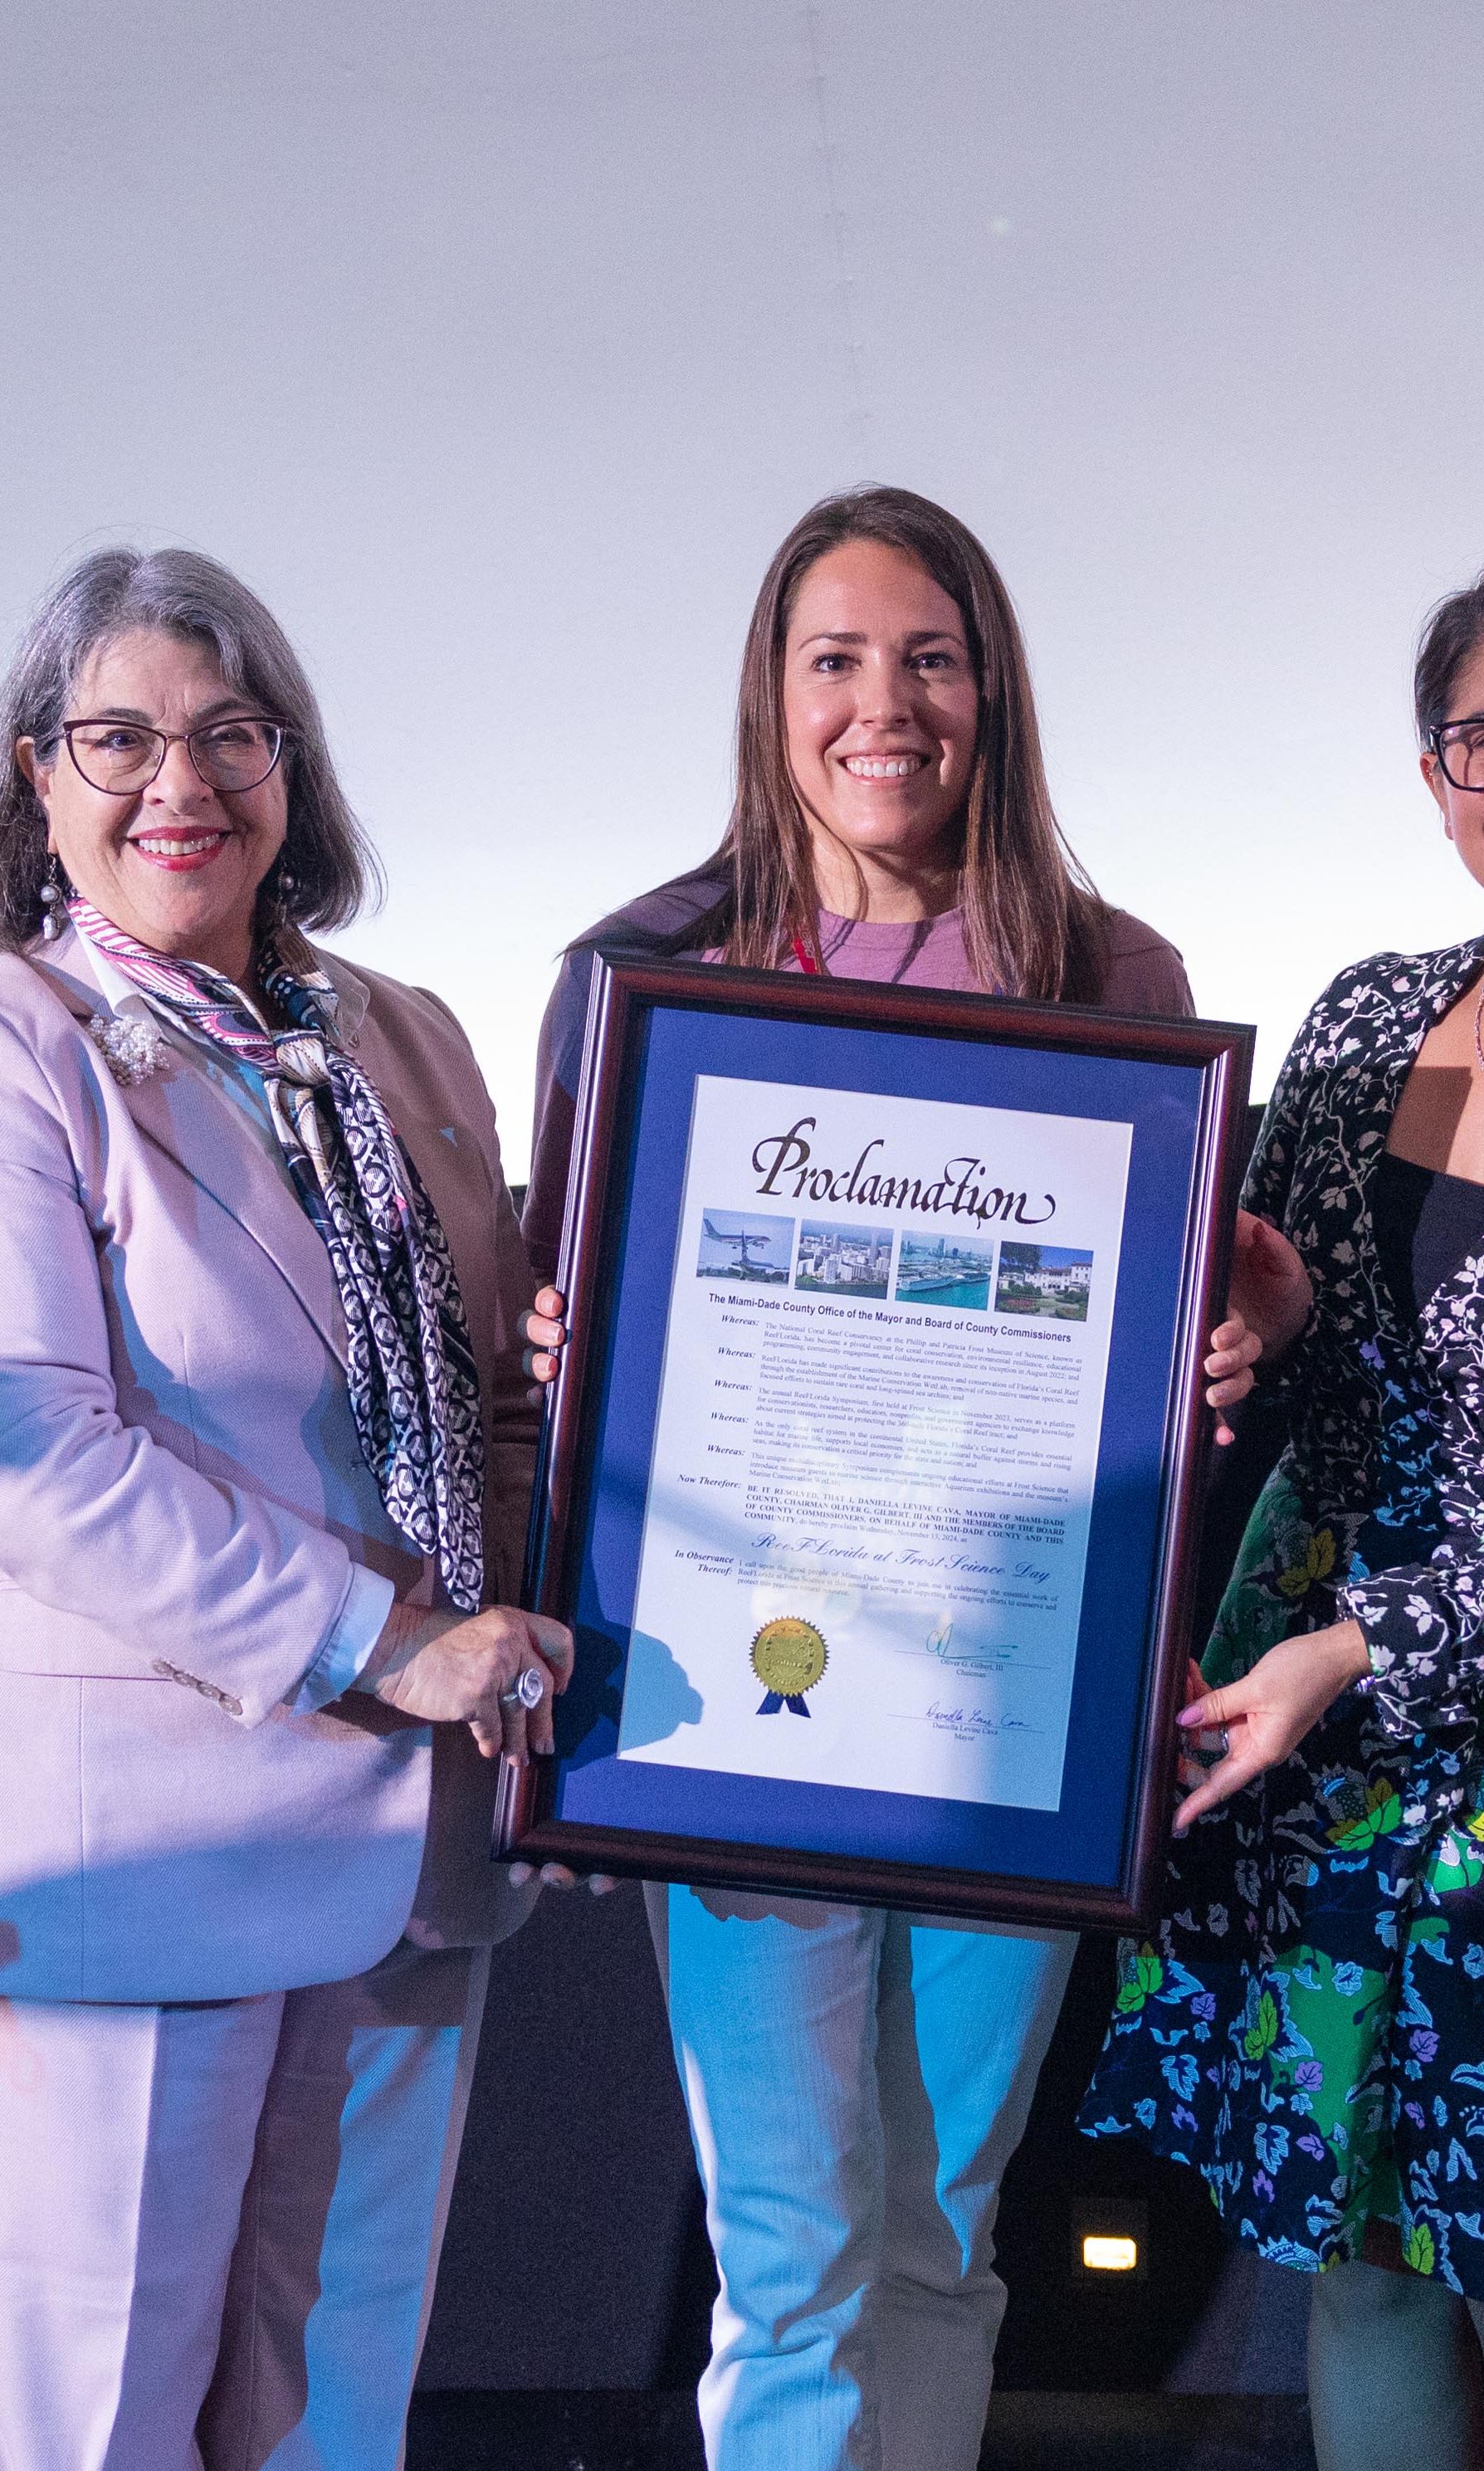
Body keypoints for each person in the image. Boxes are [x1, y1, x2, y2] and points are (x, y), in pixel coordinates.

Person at [523, 485, 1257, 2471]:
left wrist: (1230, 1323)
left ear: (991, 687)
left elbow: (1195, 1291)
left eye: (930, 657)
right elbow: (557, 1315)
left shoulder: (1111, 969)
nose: (885, 704)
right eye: (835, 658)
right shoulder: (649, 965)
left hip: (1013, 1709)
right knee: (791, 2250)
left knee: (941, 2232)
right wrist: (562, 1340)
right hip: (738, 1712)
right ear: (769, 690)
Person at [0, 546, 574, 2471]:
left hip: (419, 1855)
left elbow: (495, 1400)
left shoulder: (399, 1034)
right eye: (119, 740)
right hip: (144, 1871)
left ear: (292, 766)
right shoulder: (21, 1042)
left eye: (230, 733)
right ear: (37, 777)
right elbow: (38, 1455)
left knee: (330, 2423)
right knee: (101, 2428)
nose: (181, 783)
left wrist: (524, 1676)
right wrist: (386, 1644)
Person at [1079, 570, 1484, 2471]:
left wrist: (1362, 1647)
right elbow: (1291, 1339)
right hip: (1338, 1763)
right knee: (1370, 2246)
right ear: (1435, 775)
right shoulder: (1370, 1017)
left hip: (1379, 1674)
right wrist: (1254, 1318)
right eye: (1483, 739)